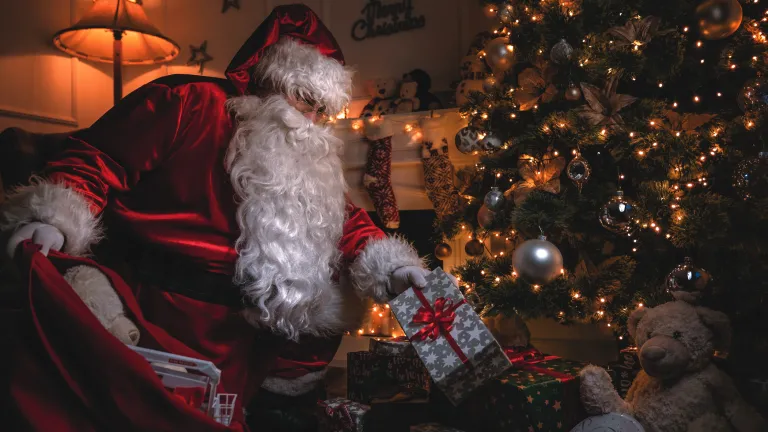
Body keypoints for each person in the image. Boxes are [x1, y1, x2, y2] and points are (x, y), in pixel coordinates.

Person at [0, 4, 439, 430]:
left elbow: (341, 220)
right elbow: (99, 158)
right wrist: (55, 216)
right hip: (155, 312)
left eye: (322, 111)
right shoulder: (188, 103)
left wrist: (395, 265)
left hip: (243, 333)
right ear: (270, 81)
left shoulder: (304, 156)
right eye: (305, 100)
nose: (311, 120)